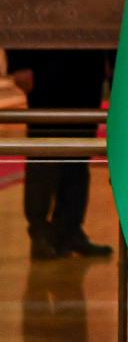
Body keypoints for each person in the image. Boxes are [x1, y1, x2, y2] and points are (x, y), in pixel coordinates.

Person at [6, 49, 114, 260]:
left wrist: (111, 60)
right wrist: (18, 63)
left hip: (88, 65)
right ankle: (39, 231)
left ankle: (69, 229)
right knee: (43, 151)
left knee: (80, 153)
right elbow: (20, 25)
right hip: (45, 64)